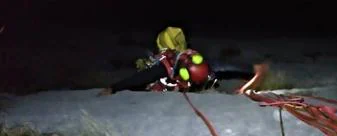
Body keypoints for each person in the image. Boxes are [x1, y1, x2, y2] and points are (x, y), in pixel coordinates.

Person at [98, 26, 268, 96]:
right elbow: (140, 78)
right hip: (164, 73)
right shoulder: (165, 67)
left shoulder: (212, 66)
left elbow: (254, 69)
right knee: (145, 72)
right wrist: (113, 88)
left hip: (195, 73)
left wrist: (248, 83)